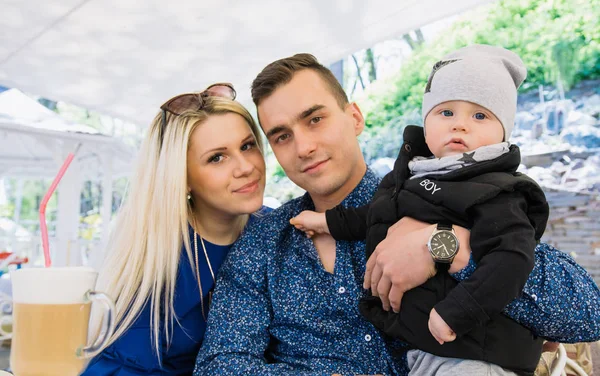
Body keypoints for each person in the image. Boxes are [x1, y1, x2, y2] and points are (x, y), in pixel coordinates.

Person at [194, 53, 600, 376]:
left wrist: (447, 247)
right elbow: (219, 364)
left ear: (354, 118)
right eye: (282, 136)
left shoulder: (445, 196)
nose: (303, 147)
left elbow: (585, 315)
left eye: (315, 119)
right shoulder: (265, 241)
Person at [290, 45, 547, 375]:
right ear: (426, 123)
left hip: (476, 351)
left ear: (503, 132)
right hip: (427, 347)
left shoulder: (499, 188)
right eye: (446, 112)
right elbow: (373, 217)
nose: (460, 125)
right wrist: (326, 221)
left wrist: (456, 310)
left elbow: (513, 258)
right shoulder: (416, 176)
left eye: (480, 115)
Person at [82, 83, 269, 375]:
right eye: (216, 157)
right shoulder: (159, 253)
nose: (246, 167)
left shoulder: (279, 230)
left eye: (247, 145)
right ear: (182, 179)